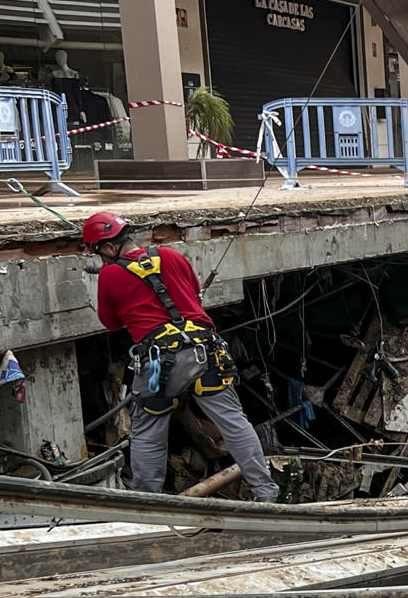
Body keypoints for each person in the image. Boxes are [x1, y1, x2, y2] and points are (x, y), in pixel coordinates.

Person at [82, 211, 279, 501]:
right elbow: (193, 293)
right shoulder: (170, 256)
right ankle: (266, 493)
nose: (102, 261)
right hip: (205, 351)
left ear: (109, 247)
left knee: (148, 431)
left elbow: (111, 323)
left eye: (100, 254)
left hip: (160, 362)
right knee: (234, 423)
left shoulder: (111, 274)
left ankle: (146, 504)